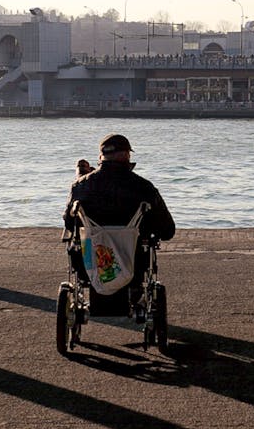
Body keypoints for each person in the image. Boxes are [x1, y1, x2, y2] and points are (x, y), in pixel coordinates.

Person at [63, 133, 176, 312]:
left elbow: (70, 224)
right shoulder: (144, 187)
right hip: (134, 264)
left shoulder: (80, 186)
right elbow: (168, 230)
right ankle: (137, 297)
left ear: (101, 157)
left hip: (91, 264)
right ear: (126, 156)